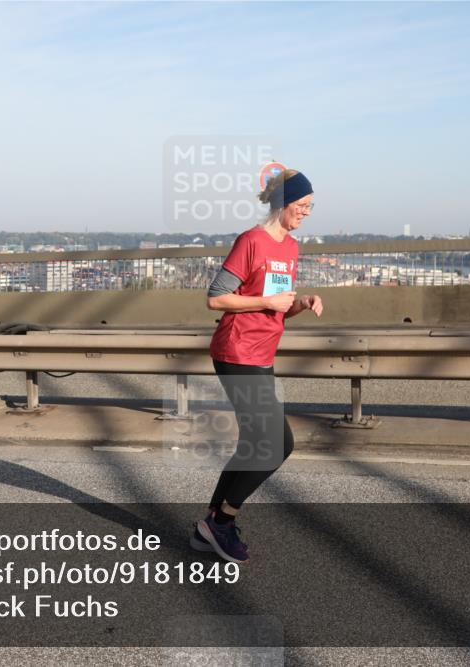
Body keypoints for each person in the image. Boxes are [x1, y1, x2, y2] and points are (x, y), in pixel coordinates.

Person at [190, 169, 324, 564]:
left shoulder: (292, 247)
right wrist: (267, 303)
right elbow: (216, 298)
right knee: (276, 445)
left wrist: (301, 303)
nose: (306, 213)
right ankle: (221, 522)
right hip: (235, 351)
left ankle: (211, 526)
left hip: (262, 353)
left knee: (255, 444)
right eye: (301, 206)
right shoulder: (251, 241)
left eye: (310, 207)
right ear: (283, 203)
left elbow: (279, 306)